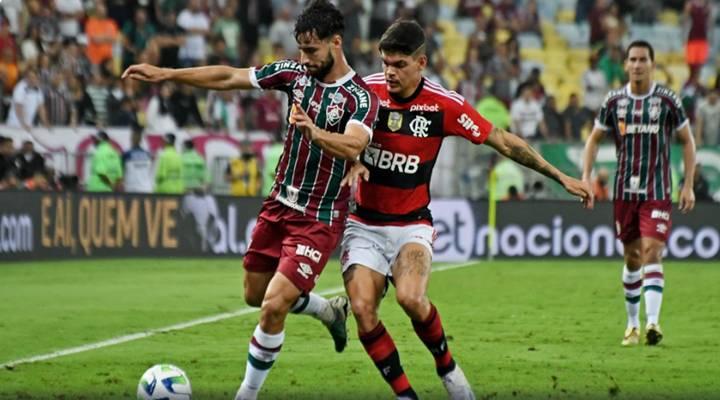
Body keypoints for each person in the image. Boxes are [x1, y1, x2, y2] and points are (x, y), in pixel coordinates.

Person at [122, 1, 379, 399]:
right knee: (254, 295)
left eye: (312, 51)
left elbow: (355, 143)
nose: (304, 59)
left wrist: (314, 133)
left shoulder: (360, 98)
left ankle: (246, 394)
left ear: (336, 42)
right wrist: (167, 74)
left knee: (273, 305)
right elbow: (228, 76)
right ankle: (326, 310)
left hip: (319, 216)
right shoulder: (294, 74)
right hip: (279, 204)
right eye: (301, 50)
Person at [340, 20, 591, 400]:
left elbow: (504, 141)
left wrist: (560, 176)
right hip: (364, 224)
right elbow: (337, 136)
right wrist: (351, 160)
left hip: (411, 226)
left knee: (411, 299)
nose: (390, 71)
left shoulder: (444, 104)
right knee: (362, 309)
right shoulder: (365, 92)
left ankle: (447, 367)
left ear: (421, 62)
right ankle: (406, 395)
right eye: (386, 62)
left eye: (400, 64)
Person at [582, 40, 696, 347]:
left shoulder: (668, 100)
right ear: (626, 64)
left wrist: (687, 184)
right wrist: (586, 177)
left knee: (652, 251)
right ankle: (632, 325)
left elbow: (687, 141)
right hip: (623, 192)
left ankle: (653, 323)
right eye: (632, 59)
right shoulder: (614, 101)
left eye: (642, 59)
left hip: (657, 190)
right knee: (632, 257)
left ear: (652, 64)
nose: (636, 64)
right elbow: (593, 140)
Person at [122, 124, 154, 193]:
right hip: (146, 188)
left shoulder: (127, 154)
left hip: (132, 189)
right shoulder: (148, 154)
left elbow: (122, 172)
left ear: (132, 139)